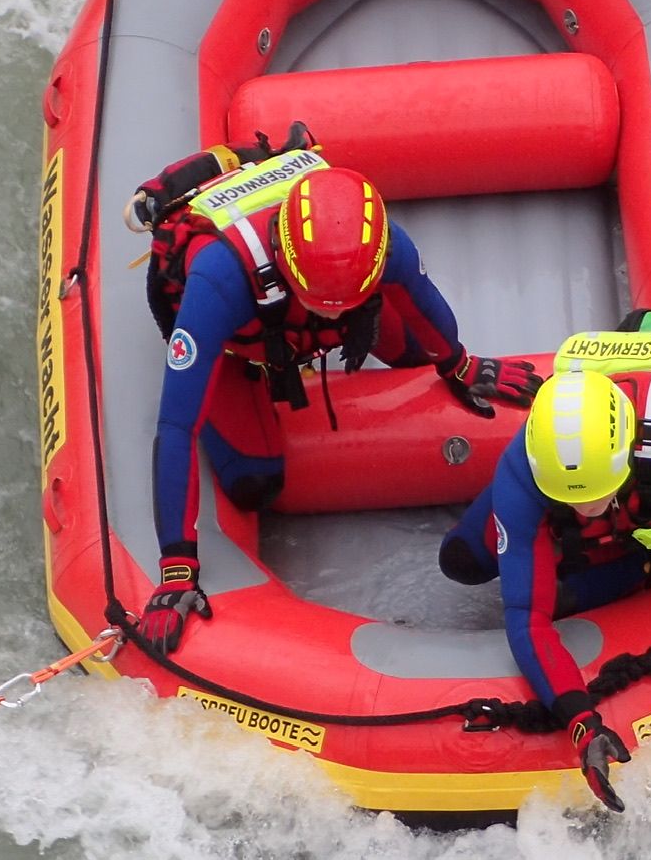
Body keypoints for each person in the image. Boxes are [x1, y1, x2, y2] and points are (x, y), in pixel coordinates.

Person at [133, 131, 540, 657]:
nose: (335, 310)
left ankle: (342, 313)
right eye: (325, 302)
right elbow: (176, 426)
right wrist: (177, 568)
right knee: (253, 480)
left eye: (347, 300)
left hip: (312, 301)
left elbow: (422, 299)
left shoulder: (383, 243)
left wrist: (460, 364)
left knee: (418, 355)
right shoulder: (219, 278)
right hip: (246, 339)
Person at [438, 323, 651, 809]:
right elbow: (525, 618)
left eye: (593, 496)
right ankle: (587, 539)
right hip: (577, 497)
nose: (586, 508)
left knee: (569, 594)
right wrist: (582, 724)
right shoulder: (525, 468)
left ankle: (640, 567)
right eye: (573, 500)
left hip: (646, 515)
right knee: (460, 560)